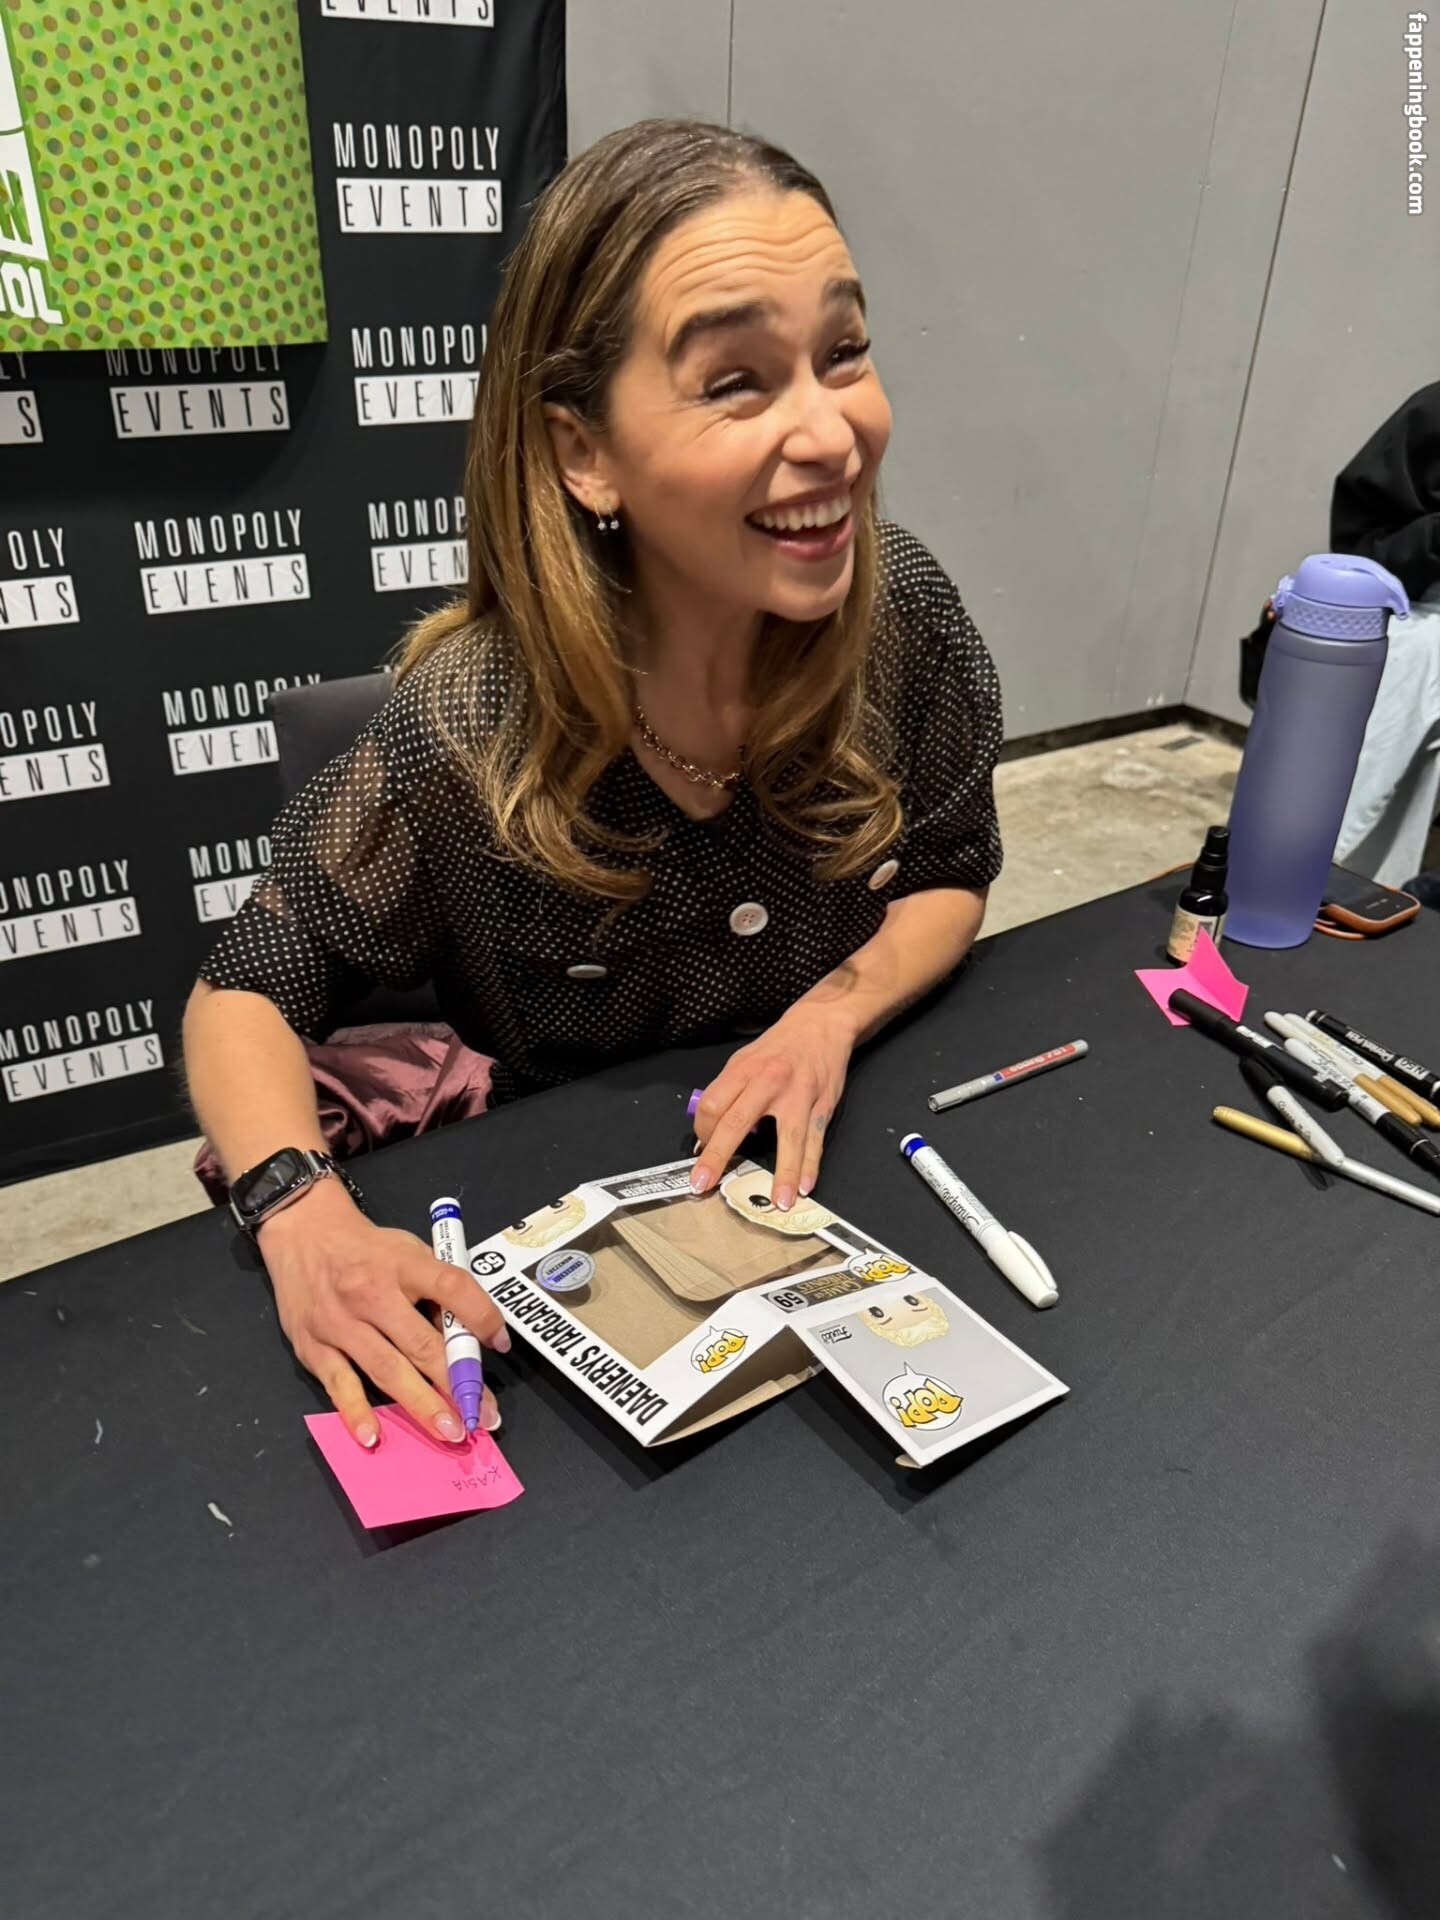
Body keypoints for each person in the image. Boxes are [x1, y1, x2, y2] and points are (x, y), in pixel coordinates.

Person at [182, 118, 1004, 1452]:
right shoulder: (468, 727)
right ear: (584, 453)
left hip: (836, 1183)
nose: (833, 431)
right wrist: (303, 1218)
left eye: (843, 352)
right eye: (736, 382)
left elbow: (953, 878)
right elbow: (242, 995)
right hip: (556, 1291)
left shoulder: (902, 612)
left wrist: (829, 1016)